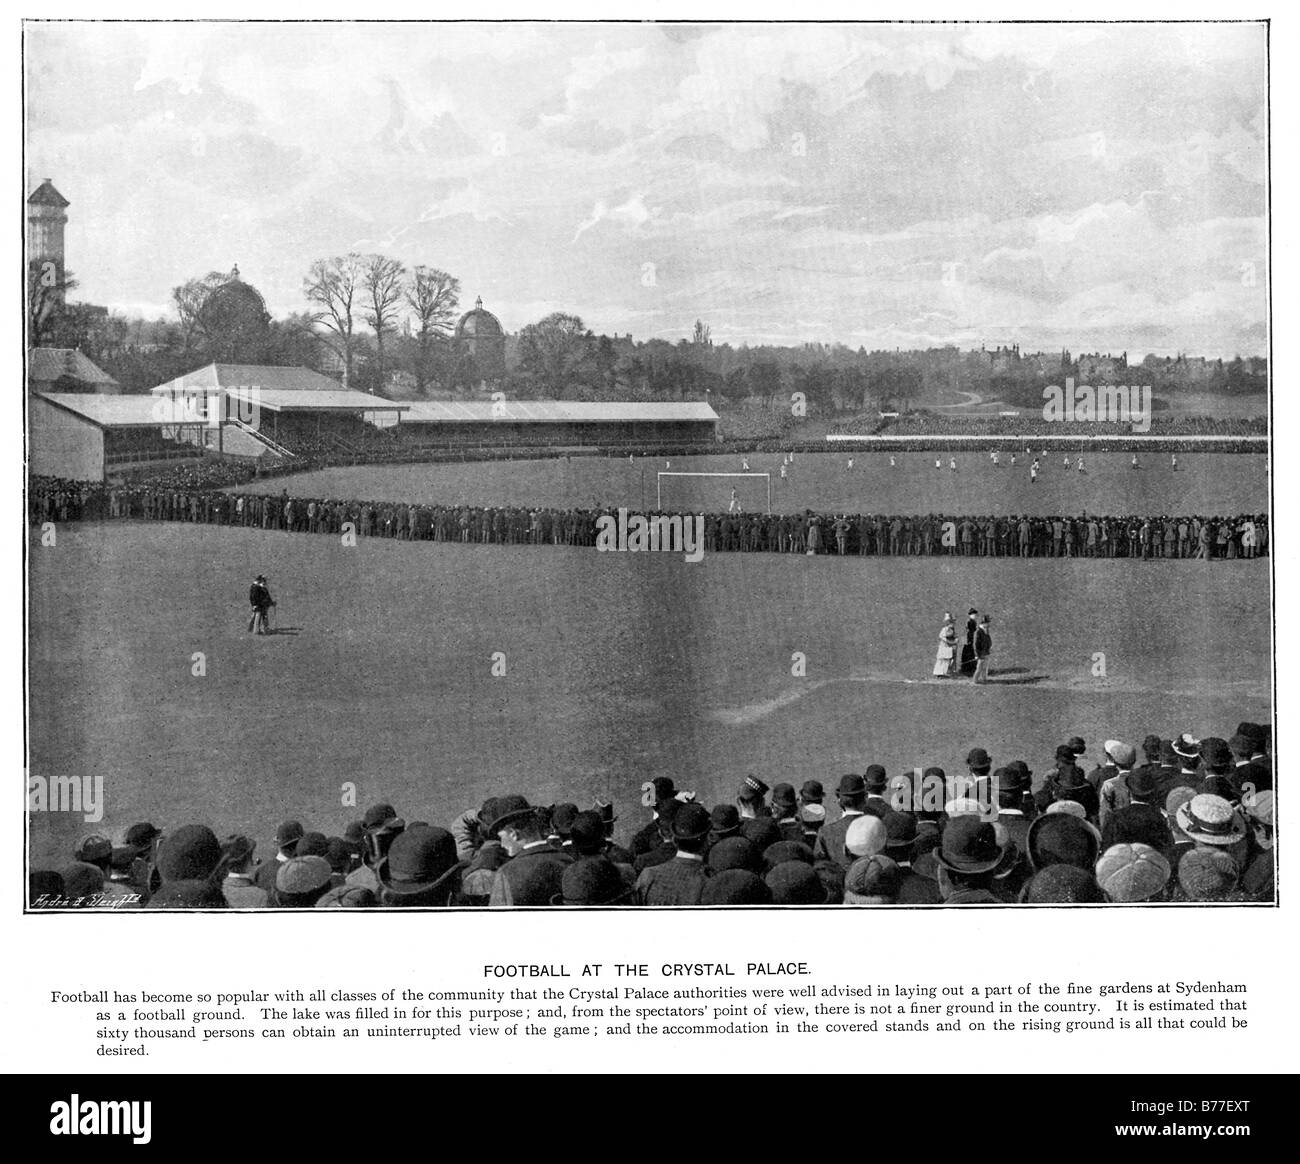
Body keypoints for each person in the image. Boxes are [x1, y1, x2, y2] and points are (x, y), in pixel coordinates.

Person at [933, 613, 957, 678]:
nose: (953, 624)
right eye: (952, 623)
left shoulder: (952, 630)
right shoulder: (944, 629)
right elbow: (942, 637)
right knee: (942, 660)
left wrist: (955, 640)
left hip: (949, 647)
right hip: (944, 646)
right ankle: (939, 673)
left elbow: (955, 636)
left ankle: (945, 672)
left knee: (948, 660)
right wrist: (951, 642)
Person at [972, 614, 992, 684]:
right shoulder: (978, 632)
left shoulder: (986, 630)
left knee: (985, 667)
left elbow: (988, 640)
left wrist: (989, 648)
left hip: (986, 652)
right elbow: (976, 645)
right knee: (979, 668)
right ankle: (975, 680)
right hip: (981, 653)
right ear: (984, 623)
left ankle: (984, 679)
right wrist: (977, 655)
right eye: (988, 623)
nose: (989, 624)